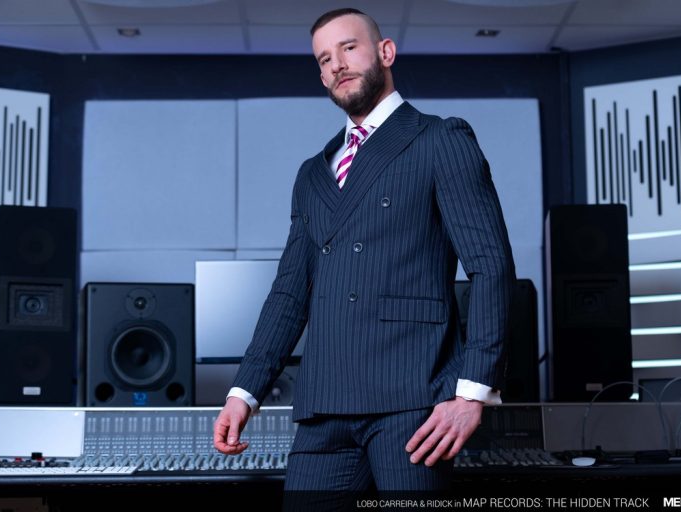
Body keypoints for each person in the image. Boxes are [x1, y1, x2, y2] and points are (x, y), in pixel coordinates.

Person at [214, 7, 515, 496]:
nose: (337, 64)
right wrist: (244, 391)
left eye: (349, 47)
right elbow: (289, 294)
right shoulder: (313, 173)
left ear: (385, 52)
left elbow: (491, 267)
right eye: (324, 58)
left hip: (413, 399)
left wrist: (472, 392)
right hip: (324, 404)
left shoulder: (440, 139)